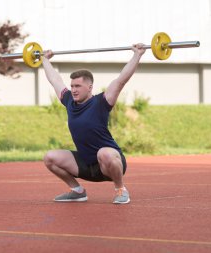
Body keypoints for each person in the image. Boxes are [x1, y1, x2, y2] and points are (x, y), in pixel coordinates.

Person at [42, 44, 146, 204]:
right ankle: (77, 191)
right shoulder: (69, 100)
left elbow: (121, 80)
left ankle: (120, 189)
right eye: (72, 86)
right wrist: (44, 59)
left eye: (78, 86)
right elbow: (54, 80)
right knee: (50, 158)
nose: (74, 90)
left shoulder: (101, 102)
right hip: (86, 164)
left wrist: (137, 55)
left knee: (104, 153)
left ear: (90, 87)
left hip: (109, 163)